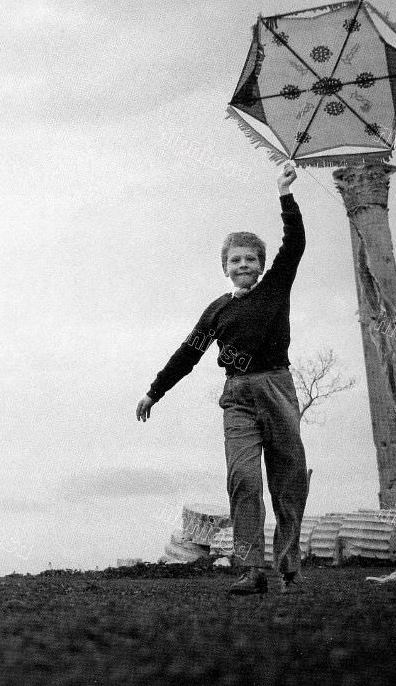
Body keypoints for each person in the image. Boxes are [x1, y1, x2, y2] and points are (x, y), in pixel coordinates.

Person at [135, 162, 308, 596]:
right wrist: (154, 391)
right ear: (225, 267)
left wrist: (285, 194)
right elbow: (188, 354)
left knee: (287, 480)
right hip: (237, 396)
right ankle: (252, 569)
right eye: (236, 260)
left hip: (276, 388)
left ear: (262, 265)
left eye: (251, 259)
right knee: (244, 479)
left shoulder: (275, 288)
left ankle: (288, 564)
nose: (244, 265)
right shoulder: (216, 311)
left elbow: (296, 242)